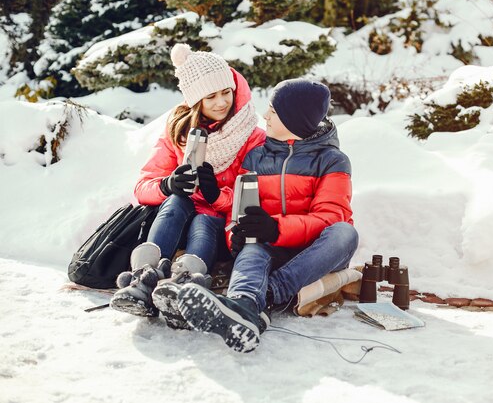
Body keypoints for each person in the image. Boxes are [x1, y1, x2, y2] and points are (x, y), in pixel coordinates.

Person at [176, 78, 359, 353]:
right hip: (271, 246)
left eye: (273, 111)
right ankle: (244, 306)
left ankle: (270, 293)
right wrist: (233, 235)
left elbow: (331, 217)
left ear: (294, 119)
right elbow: (240, 213)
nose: (265, 116)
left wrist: (276, 228)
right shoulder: (256, 158)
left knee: (345, 233)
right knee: (251, 244)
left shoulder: (332, 160)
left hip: (314, 253)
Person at [110, 44, 265, 327]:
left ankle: (187, 285)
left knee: (205, 219)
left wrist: (216, 196)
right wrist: (168, 185)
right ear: (196, 100)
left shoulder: (252, 137)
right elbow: (143, 186)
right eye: (211, 96)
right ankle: (143, 280)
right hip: (174, 223)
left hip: (217, 228)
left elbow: (252, 199)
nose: (221, 103)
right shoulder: (178, 133)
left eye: (225, 92)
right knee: (176, 202)